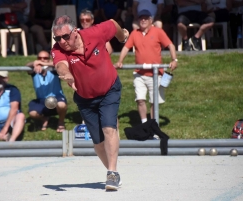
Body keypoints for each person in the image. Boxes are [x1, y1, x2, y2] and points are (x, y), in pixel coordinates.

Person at [45, 14, 129, 190]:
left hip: (109, 89)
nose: (62, 41)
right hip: (85, 98)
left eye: (65, 36)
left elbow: (113, 23)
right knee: (98, 142)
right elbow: (60, 65)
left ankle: (112, 174)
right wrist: (66, 74)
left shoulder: (95, 33)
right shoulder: (58, 49)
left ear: (75, 32)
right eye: (57, 38)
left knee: (109, 127)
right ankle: (114, 173)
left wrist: (123, 37)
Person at [115, 10, 177, 125]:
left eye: (146, 18)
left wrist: (174, 60)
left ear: (151, 20)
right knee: (140, 99)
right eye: (141, 18)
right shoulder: (134, 33)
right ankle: (144, 124)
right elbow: (126, 48)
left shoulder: (158, 32)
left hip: (156, 73)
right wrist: (120, 61)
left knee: (154, 102)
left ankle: (153, 125)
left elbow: (170, 45)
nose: (143, 20)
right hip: (139, 73)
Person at [26, 51, 67, 132]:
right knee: (32, 113)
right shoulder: (34, 70)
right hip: (41, 100)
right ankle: (44, 118)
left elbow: (59, 64)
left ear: (49, 59)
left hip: (56, 97)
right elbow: (26, 66)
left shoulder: (54, 70)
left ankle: (61, 122)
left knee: (61, 105)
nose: (42, 60)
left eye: (45, 58)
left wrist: (43, 64)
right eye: (39, 58)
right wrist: (34, 63)